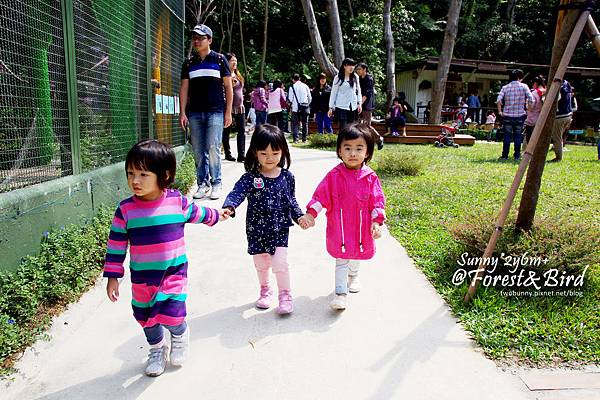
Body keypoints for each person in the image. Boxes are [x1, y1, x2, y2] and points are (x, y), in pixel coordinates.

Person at [103, 139, 228, 377]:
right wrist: (112, 276)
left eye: (143, 174)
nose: (135, 180)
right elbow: (116, 244)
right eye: (130, 173)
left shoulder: (175, 201)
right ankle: (157, 348)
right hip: (142, 278)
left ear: (165, 174)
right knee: (145, 317)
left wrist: (216, 215)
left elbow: (196, 212)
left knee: (171, 313)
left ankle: (179, 335)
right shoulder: (125, 210)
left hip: (173, 272)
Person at [222, 124, 308, 314]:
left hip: (279, 229)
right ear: (254, 153)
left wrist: (299, 216)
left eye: (275, 153)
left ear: (283, 151)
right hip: (256, 229)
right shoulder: (250, 177)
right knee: (261, 263)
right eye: (264, 153)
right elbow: (237, 193)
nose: (270, 158)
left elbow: (291, 200)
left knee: (280, 263)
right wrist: (229, 206)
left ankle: (285, 294)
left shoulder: (287, 177)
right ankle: (265, 290)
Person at [302, 123, 385, 311]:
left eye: (359, 148)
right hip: (339, 227)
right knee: (342, 258)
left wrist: (376, 222)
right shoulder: (333, 176)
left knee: (356, 255)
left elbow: (377, 202)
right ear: (339, 150)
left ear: (368, 152)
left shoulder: (370, 177)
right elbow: (320, 196)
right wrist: (311, 213)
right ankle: (340, 293)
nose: (353, 153)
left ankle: (353, 276)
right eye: (347, 148)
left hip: (361, 228)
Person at [179, 24, 233, 200]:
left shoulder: (219, 60)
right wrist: (182, 112)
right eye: (194, 37)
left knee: (212, 147)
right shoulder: (188, 63)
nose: (196, 40)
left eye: (201, 37)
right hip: (194, 113)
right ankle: (203, 184)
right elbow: (184, 88)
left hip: (216, 112)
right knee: (198, 150)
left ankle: (216, 183)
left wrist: (228, 112)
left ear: (209, 40)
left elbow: (228, 86)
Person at [496, 69, 534, 161]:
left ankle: (505, 155)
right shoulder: (524, 86)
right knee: (518, 136)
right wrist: (528, 110)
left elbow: (498, 100)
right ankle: (517, 155)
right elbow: (531, 99)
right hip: (520, 115)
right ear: (519, 77)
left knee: (507, 136)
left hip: (507, 115)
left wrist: (500, 111)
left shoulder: (505, 87)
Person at [222, 53, 246, 163]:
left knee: (241, 131)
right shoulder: (224, 75)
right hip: (228, 107)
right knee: (226, 131)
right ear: (227, 62)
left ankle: (242, 155)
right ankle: (228, 153)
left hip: (240, 107)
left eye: (236, 60)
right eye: (232, 60)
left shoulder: (238, 75)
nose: (235, 63)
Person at [329, 58, 362, 132]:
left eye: (353, 66)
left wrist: (359, 103)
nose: (352, 68)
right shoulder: (338, 78)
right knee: (343, 129)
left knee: (352, 129)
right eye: (349, 65)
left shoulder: (355, 77)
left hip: (353, 106)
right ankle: (342, 143)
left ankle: (350, 143)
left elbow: (358, 90)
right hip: (341, 106)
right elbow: (333, 93)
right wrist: (330, 107)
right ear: (344, 66)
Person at [549, 79, 573, 162]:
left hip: (560, 117)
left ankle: (558, 158)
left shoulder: (558, 88)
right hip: (568, 115)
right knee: (560, 137)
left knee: (557, 138)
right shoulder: (567, 83)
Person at [288, 73, 312, 143]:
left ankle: (296, 139)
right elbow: (310, 97)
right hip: (305, 107)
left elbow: (290, 99)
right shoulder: (305, 86)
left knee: (295, 124)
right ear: (299, 78)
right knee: (305, 124)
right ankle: (304, 139)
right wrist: (307, 104)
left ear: (293, 79)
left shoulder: (292, 87)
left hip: (295, 108)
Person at [523, 75, 546, 145]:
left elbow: (530, 107)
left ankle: (528, 154)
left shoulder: (534, 93)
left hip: (532, 120)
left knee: (530, 140)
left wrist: (527, 105)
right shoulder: (547, 91)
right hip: (543, 119)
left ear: (535, 83)